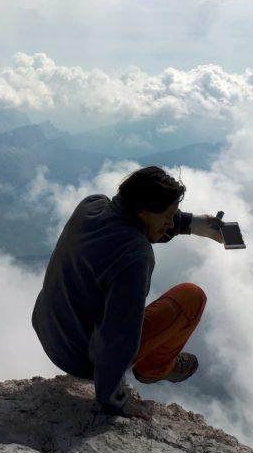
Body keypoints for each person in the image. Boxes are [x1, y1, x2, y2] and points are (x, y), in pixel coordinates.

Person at [30, 166, 224, 420]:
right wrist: (115, 401)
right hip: (82, 358)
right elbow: (118, 335)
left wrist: (193, 224)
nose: (170, 222)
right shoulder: (136, 254)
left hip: (49, 330)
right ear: (144, 212)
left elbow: (135, 221)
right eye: (167, 215)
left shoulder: (91, 205)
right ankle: (155, 368)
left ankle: (150, 362)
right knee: (192, 297)